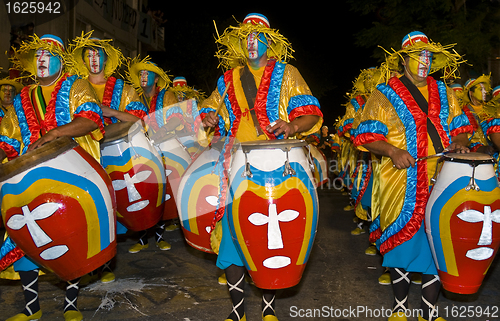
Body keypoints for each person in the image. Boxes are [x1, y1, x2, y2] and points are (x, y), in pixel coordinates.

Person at [201, 13, 322, 321]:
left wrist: (293, 126)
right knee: (231, 239)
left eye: (257, 37)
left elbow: (311, 114)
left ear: (269, 42)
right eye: (246, 38)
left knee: (271, 235)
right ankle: (238, 311)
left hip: (278, 165)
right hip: (235, 163)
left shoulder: (288, 73)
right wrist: (208, 118)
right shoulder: (227, 79)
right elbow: (207, 110)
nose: (251, 43)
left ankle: (268, 308)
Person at [352, 31, 472, 321]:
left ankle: (429, 312)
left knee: (437, 241)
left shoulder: (446, 92)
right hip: (399, 179)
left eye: (429, 56)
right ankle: (400, 308)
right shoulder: (383, 93)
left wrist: (462, 142)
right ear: (404, 60)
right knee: (401, 242)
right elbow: (365, 136)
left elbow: (461, 128)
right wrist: (392, 151)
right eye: (419, 55)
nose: (425, 61)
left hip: (442, 176)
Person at [0, 34, 105, 321]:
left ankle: (70, 305)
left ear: (61, 60)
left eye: (48, 55)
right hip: (28, 181)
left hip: (69, 176)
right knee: (23, 237)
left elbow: (91, 119)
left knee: (68, 237)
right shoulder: (23, 96)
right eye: (37, 56)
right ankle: (32, 309)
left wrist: (55, 132)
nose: (41, 60)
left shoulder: (76, 86)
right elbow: (7, 138)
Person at [68, 32, 148, 284]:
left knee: (110, 211)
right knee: (86, 211)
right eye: (88, 54)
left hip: (116, 157)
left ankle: (105, 263)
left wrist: (109, 111)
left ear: (106, 59)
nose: (93, 58)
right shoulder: (73, 88)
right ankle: (88, 263)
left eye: (97, 54)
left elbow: (141, 121)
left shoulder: (124, 89)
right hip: (81, 155)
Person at [125, 56, 178, 253]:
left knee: (161, 192)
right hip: (139, 150)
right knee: (139, 190)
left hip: (163, 149)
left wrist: (161, 131)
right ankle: (141, 239)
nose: (143, 76)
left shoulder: (168, 95)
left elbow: (175, 118)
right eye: (141, 73)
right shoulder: (134, 96)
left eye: (147, 73)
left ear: (156, 79)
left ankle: (159, 236)